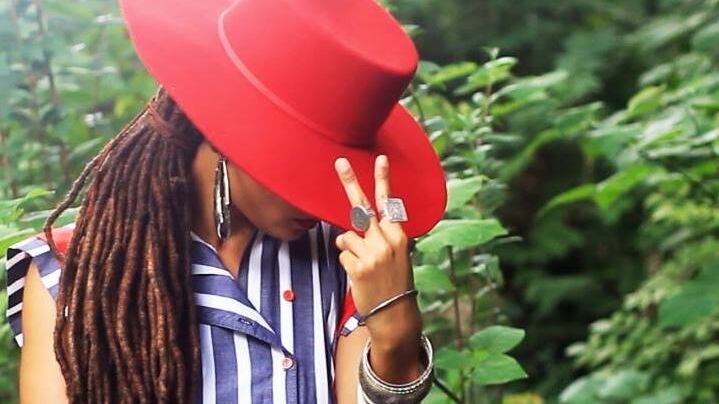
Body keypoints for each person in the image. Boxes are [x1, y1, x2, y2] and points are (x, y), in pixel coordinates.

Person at [3, 0, 447, 403]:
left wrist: (395, 330)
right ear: (227, 131)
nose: (320, 201)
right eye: (306, 167)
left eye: (335, 169)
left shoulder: (350, 258)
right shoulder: (74, 272)